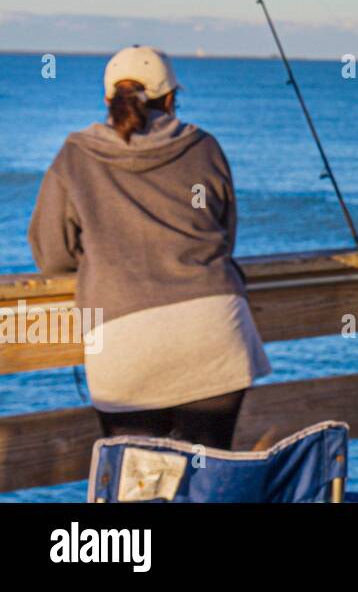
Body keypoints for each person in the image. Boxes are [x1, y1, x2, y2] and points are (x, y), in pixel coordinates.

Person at [28, 46, 270, 449]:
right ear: (172, 98)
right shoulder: (203, 147)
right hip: (211, 327)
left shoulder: (75, 156)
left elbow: (52, 254)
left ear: (108, 99)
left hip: (125, 340)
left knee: (135, 482)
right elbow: (224, 235)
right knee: (207, 474)